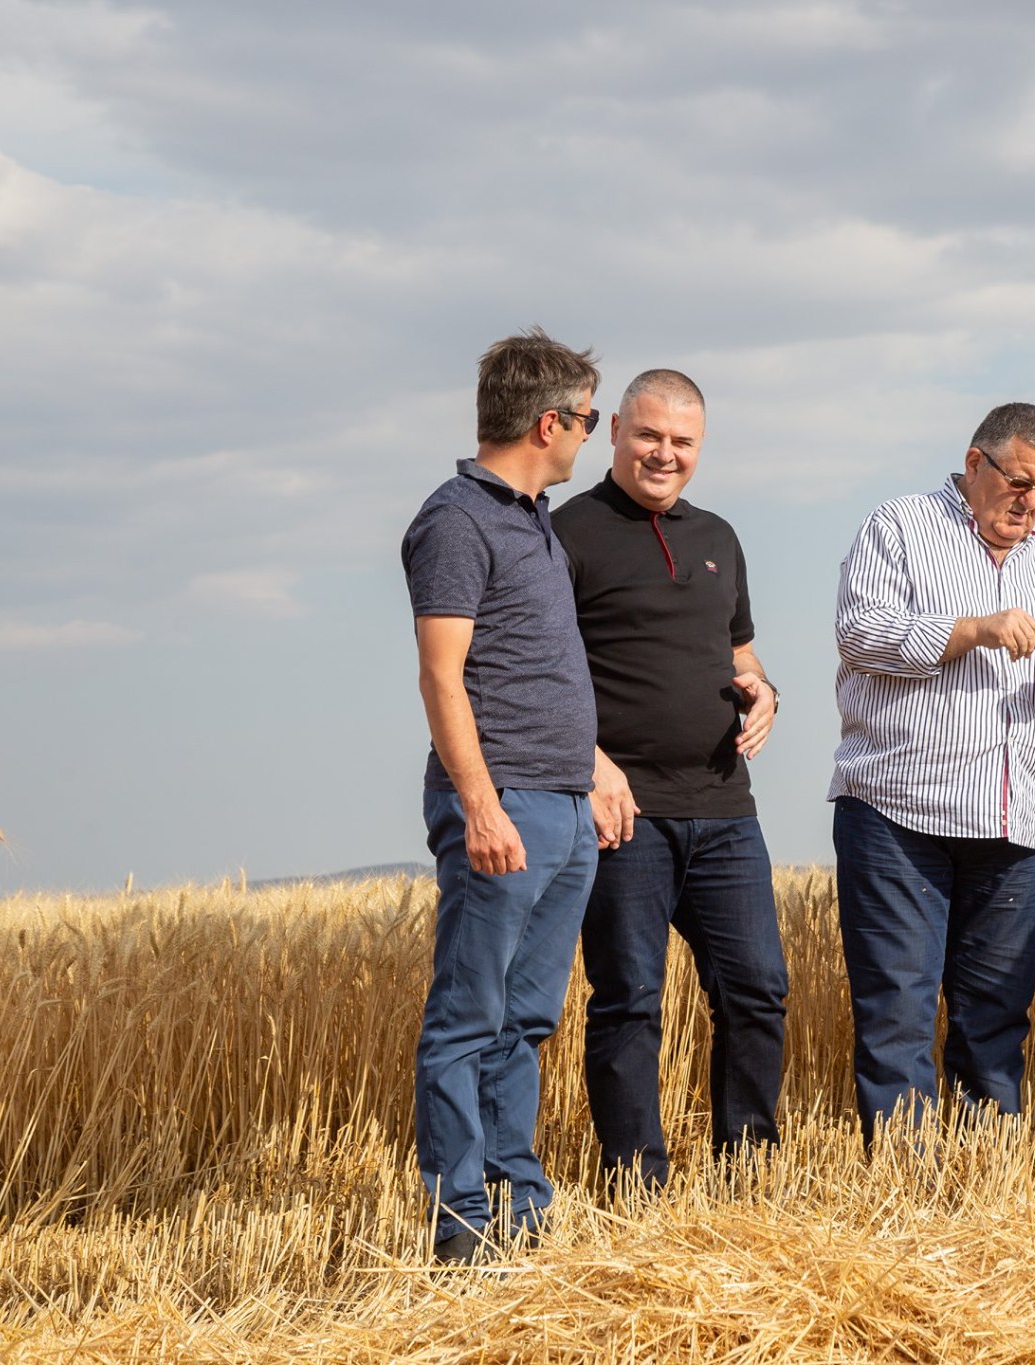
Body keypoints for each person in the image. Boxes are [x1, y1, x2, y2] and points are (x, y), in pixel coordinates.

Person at [829, 401, 1035, 1142]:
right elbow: (860, 634)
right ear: (975, 462)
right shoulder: (900, 526)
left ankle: (989, 1181)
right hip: (899, 814)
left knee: (996, 1020)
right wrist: (972, 629)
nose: (1030, 502)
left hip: (1015, 819)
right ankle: (907, 1184)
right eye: (1020, 482)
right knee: (898, 1013)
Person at [399, 328, 613, 1263]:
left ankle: (521, 1214)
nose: (590, 437)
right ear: (548, 422)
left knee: (524, 1022)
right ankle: (462, 1228)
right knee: (466, 1019)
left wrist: (591, 774)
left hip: (562, 804)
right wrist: (480, 805)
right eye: (590, 420)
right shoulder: (457, 521)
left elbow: (539, 669)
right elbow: (441, 675)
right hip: (505, 804)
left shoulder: (534, 521)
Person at [552, 370, 788, 1191]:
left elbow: (739, 650)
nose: (664, 453)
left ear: (700, 447)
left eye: (682, 441)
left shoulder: (718, 535)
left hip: (725, 807)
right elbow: (545, 671)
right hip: (626, 814)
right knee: (629, 1000)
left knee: (758, 990)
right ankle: (635, 1188)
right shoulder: (567, 535)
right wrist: (591, 765)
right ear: (615, 428)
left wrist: (764, 689)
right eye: (650, 435)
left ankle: (746, 1176)